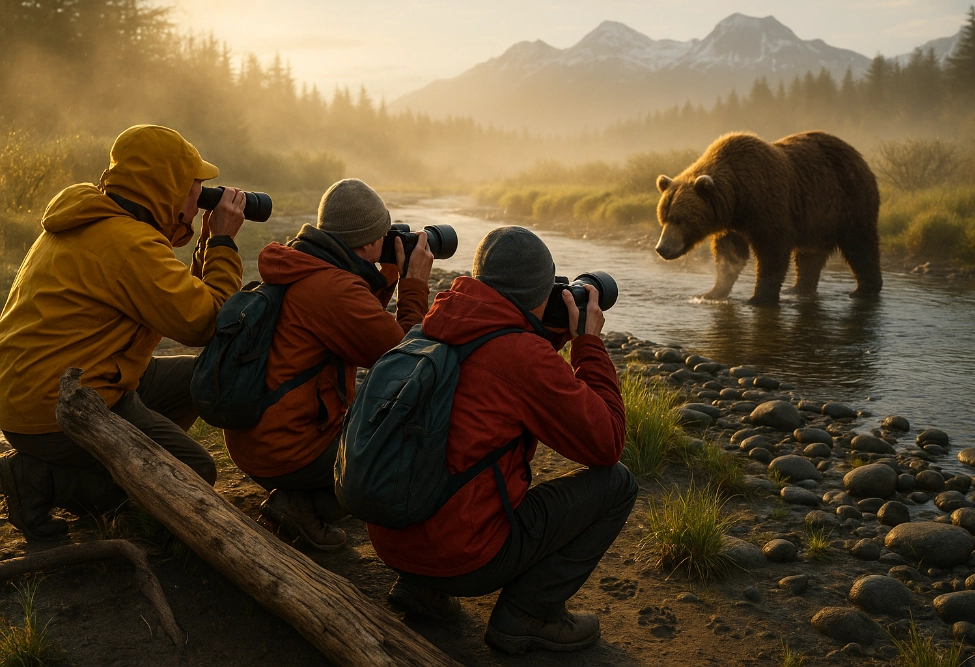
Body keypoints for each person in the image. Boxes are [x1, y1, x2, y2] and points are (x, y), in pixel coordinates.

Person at [366, 226, 637, 654]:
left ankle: (421, 588)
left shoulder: (434, 323)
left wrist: (542, 333)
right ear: (539, 293)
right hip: (463, 557)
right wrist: (587, 343)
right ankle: (530, 615)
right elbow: (606, 443)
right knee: (617, 483)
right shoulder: (522, 357)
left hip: (391, 535)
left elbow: (494, 363)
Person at [0, 124, 246, 540]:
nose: (200, 197)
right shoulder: (127, 242)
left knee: (200, 378)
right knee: (193, 475)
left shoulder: (92, 219)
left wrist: (205, 242)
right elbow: (208, 323)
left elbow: (178, 301)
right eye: (194, 188)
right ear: (164, 187)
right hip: (56, 410)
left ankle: (127, 459)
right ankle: (41, 479)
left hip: (42, 390)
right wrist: (223, 242)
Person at [223, 179, 433, 551]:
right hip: (287, 451)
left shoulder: (304, 262)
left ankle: (302, 499)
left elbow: (358, 322)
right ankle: (302, 506)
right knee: (410, 449)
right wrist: (413, 284)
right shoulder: (333, 288)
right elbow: (403, 363)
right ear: (369, 242)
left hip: (254, 438)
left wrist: (385, 272)